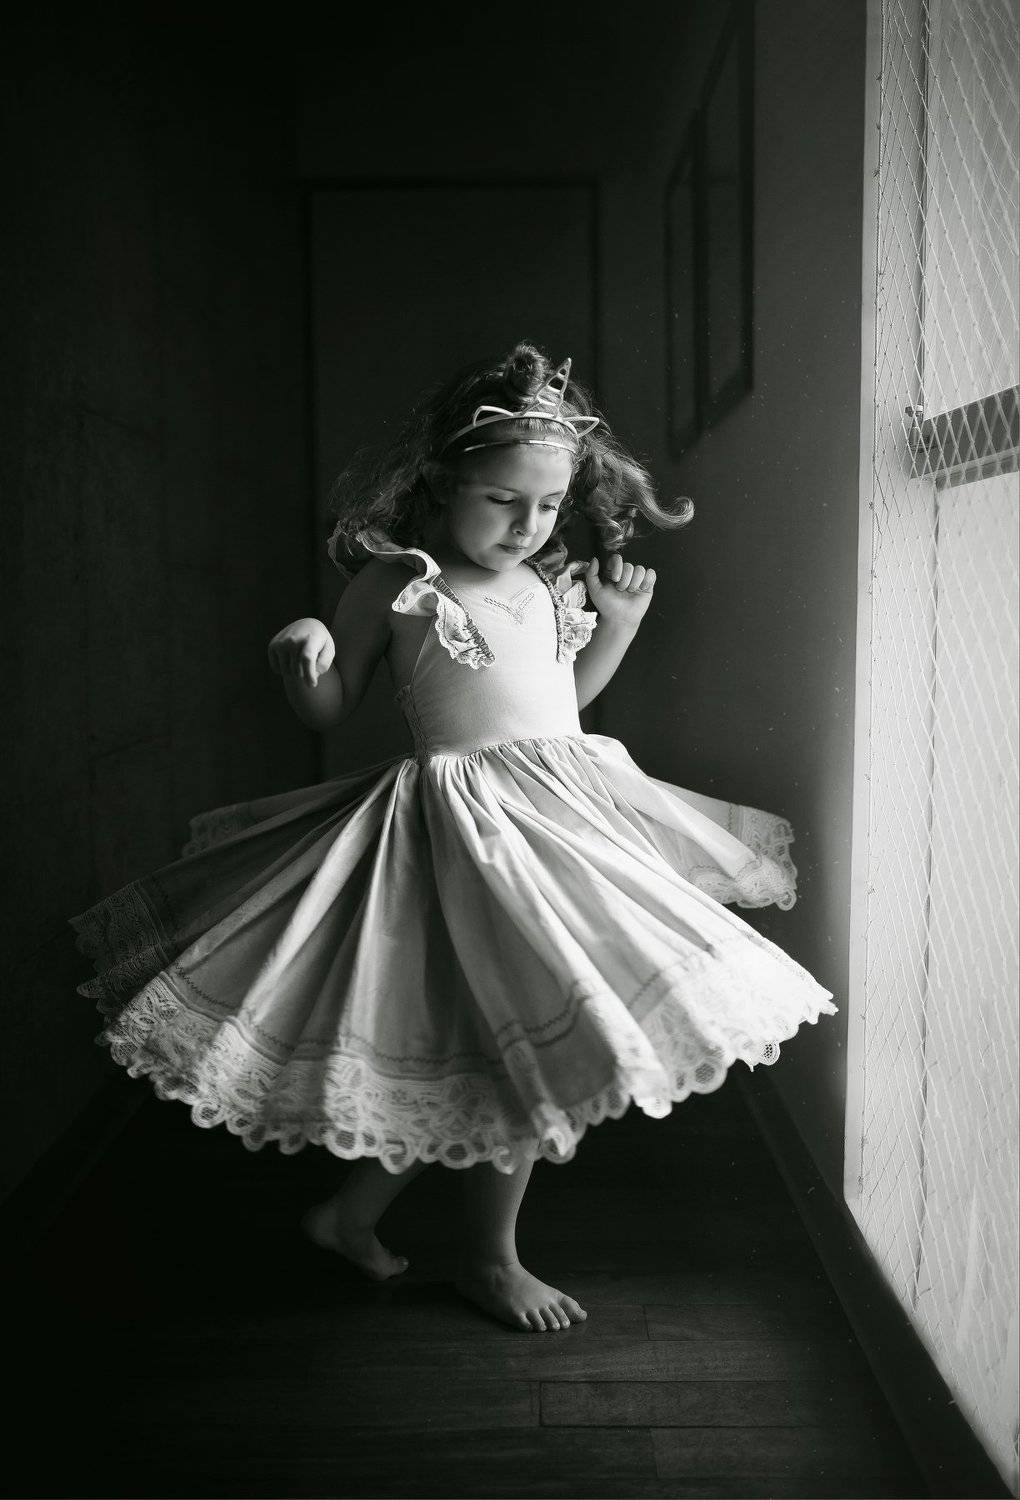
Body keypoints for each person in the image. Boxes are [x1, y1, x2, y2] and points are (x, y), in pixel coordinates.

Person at [69, 342, 837, 1334]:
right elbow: (331, 706)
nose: (527, 526)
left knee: (494, 1046)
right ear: (440, 483)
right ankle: (489, 1258)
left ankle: (349, 1218)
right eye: (502, 500)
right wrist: (305, 659)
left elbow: (563, 709)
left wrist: (616, 627)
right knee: (499, 1047)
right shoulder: (401, 582)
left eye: (548, 506)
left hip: (562, 820)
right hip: (461, 834)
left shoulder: (548, 583)